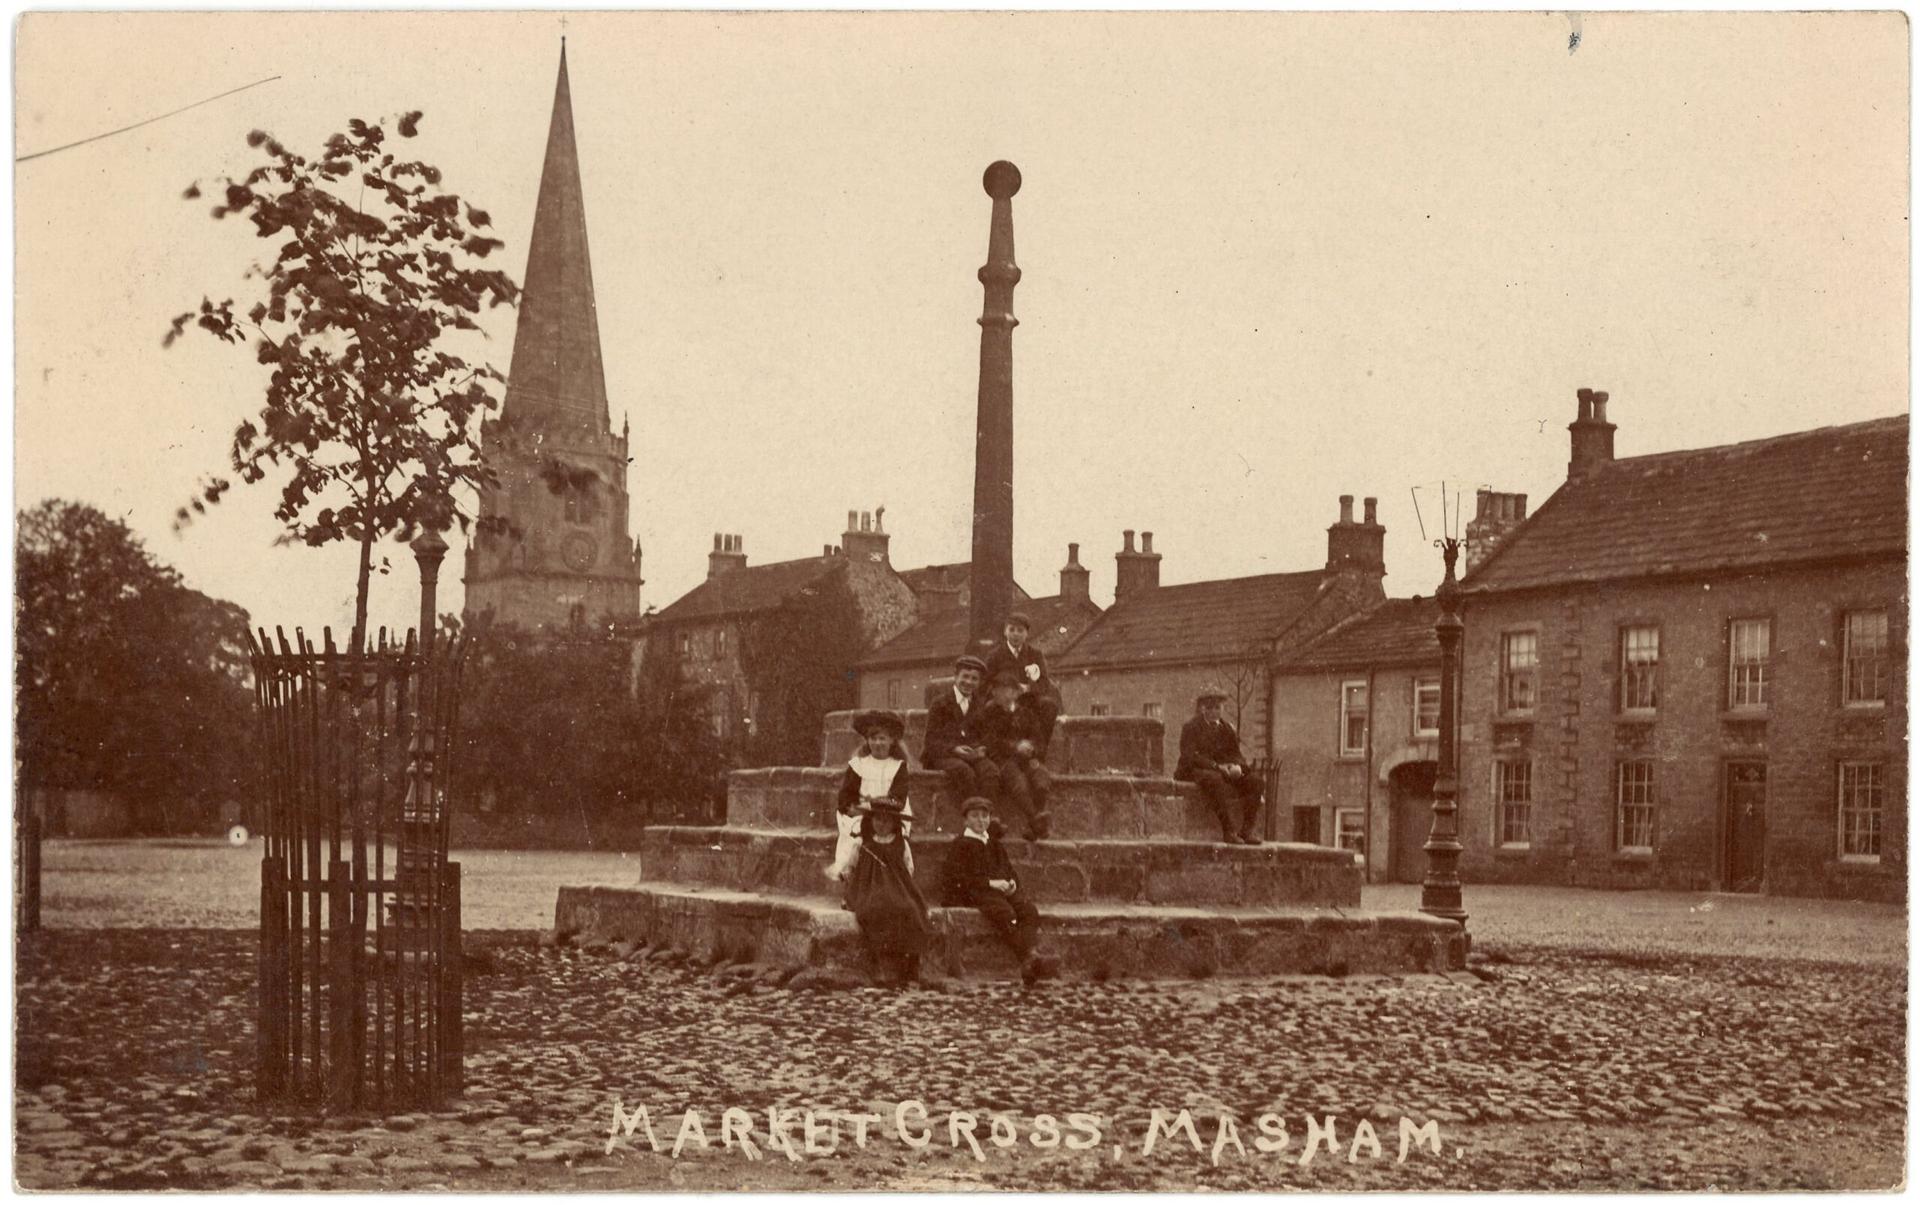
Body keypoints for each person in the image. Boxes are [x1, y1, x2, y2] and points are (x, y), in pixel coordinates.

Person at [939, 797, 1049, 985]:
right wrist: (991, 883)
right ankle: (1027, 958)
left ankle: (1030, 955)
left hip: (997, 891)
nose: (981, 821)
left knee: (1028, 910)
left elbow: (1008, 869)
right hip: (972, 892)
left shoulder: (994, 843)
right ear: (965, 820)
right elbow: (957, 878)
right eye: (975, 816)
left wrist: (1012, 883)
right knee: (1006, 913)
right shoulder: (961, 844)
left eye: (985, 816)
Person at [843, 798, 931, 986]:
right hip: (869, 887)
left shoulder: (901, 844)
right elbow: (851, 866)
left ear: (895, 823)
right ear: (870, 820)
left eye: (887, 820)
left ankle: (911, 964)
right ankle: (880, 964)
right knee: (874, 908)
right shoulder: (862, 842)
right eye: (877, 819)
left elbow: (909, 868)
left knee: (910, 908)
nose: (882, 824)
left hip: (897, 886)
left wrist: (900, 885)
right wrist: (848, 883)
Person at [827, 710, 912, 883]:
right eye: (873, 738)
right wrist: (854, 809)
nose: (878, 743)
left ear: (892, 740)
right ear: (867, 740)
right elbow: (846, 798)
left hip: (890, 815)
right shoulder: (858, 765)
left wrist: (877, 807)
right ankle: (854, 881)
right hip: (860, 813)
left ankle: (892, 882)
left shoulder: (898, 766)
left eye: (882, 738)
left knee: (893, 839)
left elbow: (898, 798)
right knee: (856, 838)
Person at [1175, 687, 1264, 846]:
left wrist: (1237, 766)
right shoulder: (1191, 727)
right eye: (1209, 707)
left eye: (1217, 707)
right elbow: (1190, 756)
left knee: (1256, 781)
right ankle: (1228, 830)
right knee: (1214, 780)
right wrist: (1216, 766)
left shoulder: (1227, 728)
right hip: (1196, 769)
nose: (1213, 712)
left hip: (1222, 769)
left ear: (1222, 708)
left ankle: (1246, 830)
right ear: (1202, 708)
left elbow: (1236, 753)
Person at [980, 671, 1053, 840]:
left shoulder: (1025, 713)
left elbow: (1040, 741)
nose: (1001, 694)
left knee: (1041, 776)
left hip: (1027, 759)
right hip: (1003, 759)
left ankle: (1034, 824)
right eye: (998, 690)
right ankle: (1035, 820)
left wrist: (1032, 748)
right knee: (1017, 781)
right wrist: (1015, 747)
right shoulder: (990, 713)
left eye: (1007, 690)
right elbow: (990, 741)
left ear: (1016, 693)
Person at [923, 653, 998, 807]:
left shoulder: (980, 705)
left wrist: (981, 749)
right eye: (965, 676)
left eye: (974, 679)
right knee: (964, 771)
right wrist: (954, 749)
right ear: (956, 677)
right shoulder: (940, 704)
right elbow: (931, 741)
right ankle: (971, 814)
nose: (968, 682)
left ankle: (988, 814)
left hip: (972, 755)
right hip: (943, 756)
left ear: (979, 682)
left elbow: (987, 735)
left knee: (990, 771)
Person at [984, 612, 1061, 756]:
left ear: (1027, 634)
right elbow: (986, 682)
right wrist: (1003, 691)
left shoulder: (1035, 654)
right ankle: (1003, 752)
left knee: (1049, 706)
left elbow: (1044, 682)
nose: (1015, 634)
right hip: (1003, 700)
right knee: (990, 709)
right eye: (1011, 629)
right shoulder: (995, 655)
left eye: (1020, 630)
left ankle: (1038, 752)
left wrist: (1029, 688)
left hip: (1028, 699)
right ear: (1005, 631)